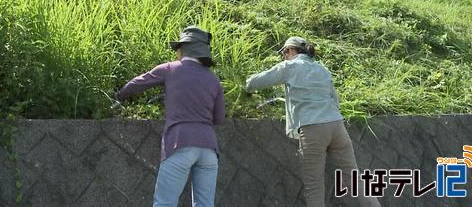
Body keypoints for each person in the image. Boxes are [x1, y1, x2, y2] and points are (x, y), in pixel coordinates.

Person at [245, 37, 381, 207]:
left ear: (292, 50)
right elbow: (335, 99)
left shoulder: (290, 66)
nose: (284, 56)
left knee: (314, 187)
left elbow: (258, 81)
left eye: (285, 52)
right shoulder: (322, 70)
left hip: (312, 128)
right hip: (337, 127)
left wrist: (247, 86)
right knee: (354, 179)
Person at [116, 26, 225, 207]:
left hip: (180, 143)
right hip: (209, 149)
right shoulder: (213, 79)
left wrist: (118, 96)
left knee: (165, 203)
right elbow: (219, 118)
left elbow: (137, 83)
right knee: (205, 204)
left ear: (182, 49)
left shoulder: (169, 69)